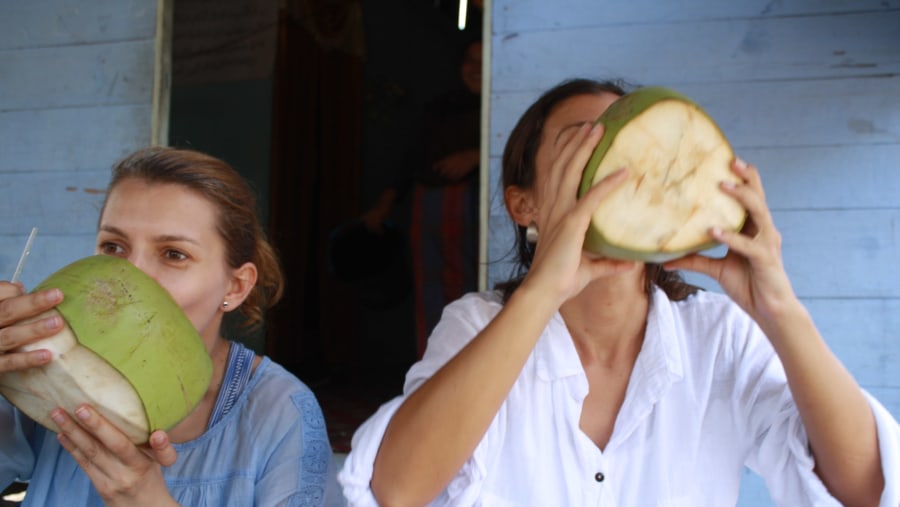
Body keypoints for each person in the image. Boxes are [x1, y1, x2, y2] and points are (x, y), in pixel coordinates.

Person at [339, 79, 900, 506]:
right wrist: (542, 291)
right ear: (524, 205)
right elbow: (399, 490)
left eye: (630, 146)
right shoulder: (477, 326)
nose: (617, 166)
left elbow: (868, 485)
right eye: (584, 146)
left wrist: (779, 310)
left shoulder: (719, 337)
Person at [0, 147, 334, 506]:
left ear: (235, 287)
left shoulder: (282, 413)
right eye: (113, 246)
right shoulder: (40, 362)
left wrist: (146, 500)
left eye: (174, 254)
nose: (129, 276)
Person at [362, 39, 482, 357]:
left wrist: (477, 156)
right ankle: (432, 370)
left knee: (471, 290)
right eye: (470, 60)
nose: (477, 69)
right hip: (429, 208)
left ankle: (471, 368)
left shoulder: (501, 108)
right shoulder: (440, 108)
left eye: (485, 62)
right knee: (431, 293)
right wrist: (384, 205)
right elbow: (410, 161)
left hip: (473, 210)